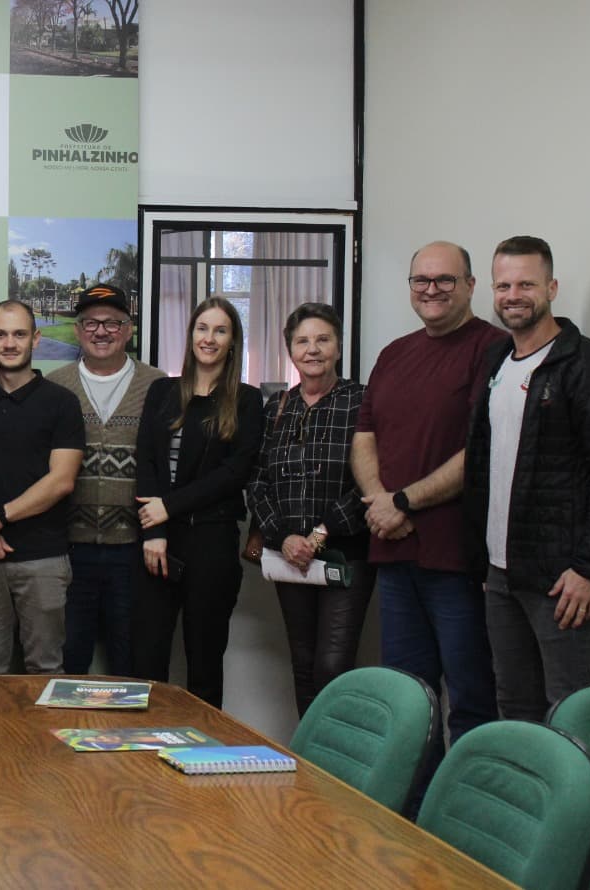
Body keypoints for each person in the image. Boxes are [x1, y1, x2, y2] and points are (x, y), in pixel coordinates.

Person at [464, 236, 590, 721]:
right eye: (503, 285)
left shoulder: (589, 367)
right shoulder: (498, 361)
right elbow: (484, 466)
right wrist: (483, 562)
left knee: (570, 717)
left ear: (552, 287)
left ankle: (581, 802)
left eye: (526, 284)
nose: (513, 295)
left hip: (564, 583)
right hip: (501, 575)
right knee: (514, 712)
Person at [352, 241, 502, 746]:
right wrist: (381, 502)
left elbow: (479, 450)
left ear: (470, 286)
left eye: (445, 280)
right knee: (408, 701)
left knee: (470, 699)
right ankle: (411, 816)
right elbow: (365, 437)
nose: (432, 290)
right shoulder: (394, 354)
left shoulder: (492, 348)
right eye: (422, 281)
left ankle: (461, 820)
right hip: (394, 556)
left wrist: (404, 502)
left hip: (456, 562)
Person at [132, 297, 263, 708]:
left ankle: (202, 763)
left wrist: (169, 508)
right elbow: (147, 461)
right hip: (158, 544)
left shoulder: (246, 400)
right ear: (190, 336)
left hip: (212, 542)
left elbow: (233, 473)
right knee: (146, 659)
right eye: (202, 328)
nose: (209, 338)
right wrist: (154, 531)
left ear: (232, 341)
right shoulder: (162, 391)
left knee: (204, 662)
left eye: (220, 330)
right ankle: (141, 762)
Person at [244, 302, 373, 716]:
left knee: (333, 666)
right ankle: (314, 763)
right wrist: (284, 537)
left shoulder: (362, 402)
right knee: (302, 665)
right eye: (303, 341)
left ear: (338, 346)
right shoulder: (277, 407)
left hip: (343, 552)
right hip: (289, 556)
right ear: (291, 350)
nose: (312, 349)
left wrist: (318, 535)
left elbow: (371, 482)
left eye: (323, 339)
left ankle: (338, 769)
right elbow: (258, 478)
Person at [0, 300, 85, 675]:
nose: (9, 343)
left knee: (45, 671)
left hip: (41, 560)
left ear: (36, 339)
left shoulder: (62, 404)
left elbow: (61, 480)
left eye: (19, 334)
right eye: (0, 334)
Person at [45, 284, 164, 676]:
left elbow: (168, 467)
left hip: (133, 552)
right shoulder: (55, 387)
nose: (101, 331)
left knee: (129, 660)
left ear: (128, 330)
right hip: (68, 551)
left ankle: (125, 739)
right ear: (78, 331)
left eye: (112, 323)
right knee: (69, 657)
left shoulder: (158, 386)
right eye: (91, 323)